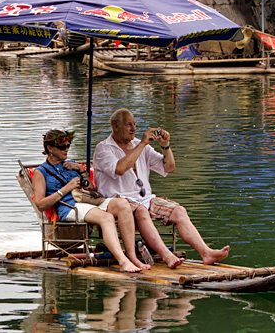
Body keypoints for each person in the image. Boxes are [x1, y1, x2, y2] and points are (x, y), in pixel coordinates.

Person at [93, 109, 230, 266]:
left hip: (145, 199)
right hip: (118, 201)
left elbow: (168, 168)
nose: (133, 128)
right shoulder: (103, 148)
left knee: (179, 211)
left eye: (135, 124)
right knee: (141, 211)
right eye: (129, 125)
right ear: (115, 126)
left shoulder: (139, 145)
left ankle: (206, 253)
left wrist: (165, 146)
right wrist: (143, 143)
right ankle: (167, 256)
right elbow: (120, 169)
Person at [32, 129, 149, 273]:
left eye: (68, 146)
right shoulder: (41, 172)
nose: (66, 149)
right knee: (106, 217)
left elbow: (91, 189)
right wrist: (65, 189)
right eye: (62, 147)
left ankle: (132, 256)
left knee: (123, 204)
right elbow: (40, 204)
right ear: (50, 148)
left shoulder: (71, 165)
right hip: (69, 207)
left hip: (89, 201)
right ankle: (123, 261)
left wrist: (81, 171)